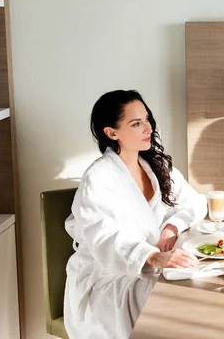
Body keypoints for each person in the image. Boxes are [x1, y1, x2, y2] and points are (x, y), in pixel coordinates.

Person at [64, 90, 207, 338]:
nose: (148, 128)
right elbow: (105, 237)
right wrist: (150, 256)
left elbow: (195, 202)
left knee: (199, 280)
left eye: (147, 119)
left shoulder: (156, 166)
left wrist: (172, 227)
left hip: (152, 265)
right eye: (136, 123)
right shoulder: (98, 178)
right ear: (112, 133)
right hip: (108, 277)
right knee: (171, 295)